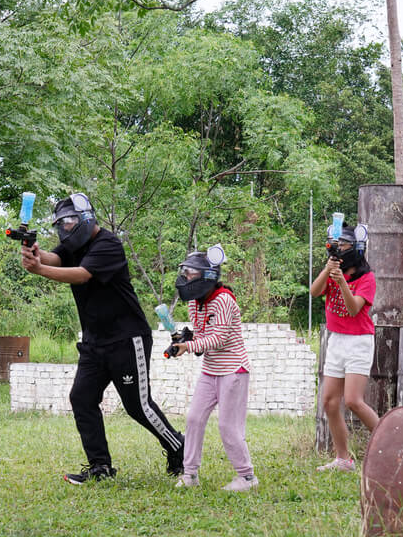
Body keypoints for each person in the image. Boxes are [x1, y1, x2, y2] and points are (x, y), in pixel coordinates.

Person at [20, 192, 184, 484]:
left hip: (127, 339)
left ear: (85, 219)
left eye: (69, 222)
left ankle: (178, 446)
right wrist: (35, 252)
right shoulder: (73, 243)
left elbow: (82, 274)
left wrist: (39, 269)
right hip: (94, 341)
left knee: (137, 406)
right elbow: (55, 257)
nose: (65, 228)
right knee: (81, 398)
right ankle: (100, 467)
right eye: (61, 224)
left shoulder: (108, 244)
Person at [168, 245, 257, 492]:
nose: (185, 277)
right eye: (184, 272)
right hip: (211, 369)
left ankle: (247, 477)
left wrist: (189, 346)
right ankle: (190, 474)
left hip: (233, 370)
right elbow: (204, 336)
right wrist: (186, 340)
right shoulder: (195, 303)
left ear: (207, 276)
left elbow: (218, 338)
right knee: (194, 419)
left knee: (228, 426)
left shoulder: (224, 300)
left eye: (191, 273)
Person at [308, 223, 378, 472]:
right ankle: (343, 459)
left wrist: (343, 283)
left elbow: (353, 309)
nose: (338, 249)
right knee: (329, 401)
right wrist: (328, 272)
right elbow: (314, 292)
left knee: (353, 401)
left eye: (343, 245)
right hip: (336, 339)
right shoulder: (333, 270)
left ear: (356, 248)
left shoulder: (366, 278)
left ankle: (391, 441)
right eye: (335, 244)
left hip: (359, 341)